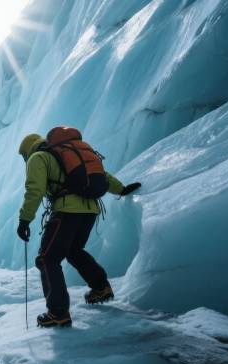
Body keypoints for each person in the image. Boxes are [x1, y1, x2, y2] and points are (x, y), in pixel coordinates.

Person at [17, 128, 142, 327]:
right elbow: (101, 175)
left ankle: (58, 312)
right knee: (74, 251)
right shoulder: (65, 154)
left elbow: (35, 190)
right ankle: (101, 288)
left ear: (27, 151)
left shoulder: (38, 158)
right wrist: (122, 188)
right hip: (90, 210)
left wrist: (24, 220)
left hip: (66, 212)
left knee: (47, 258)